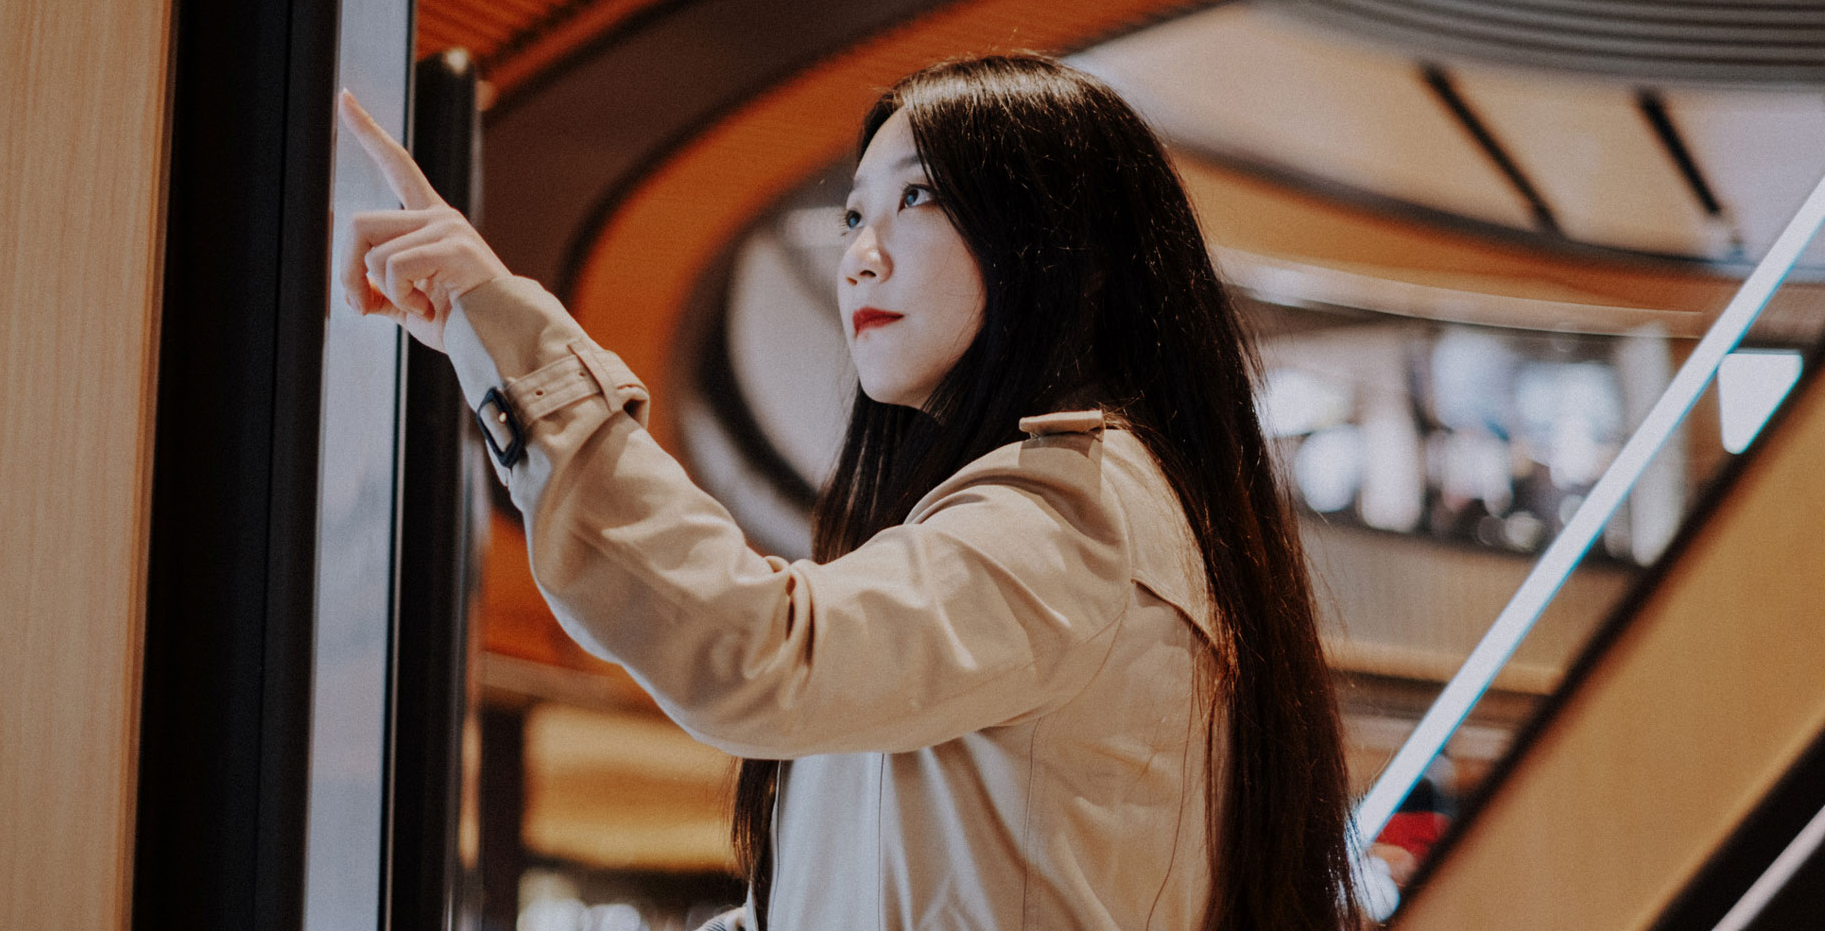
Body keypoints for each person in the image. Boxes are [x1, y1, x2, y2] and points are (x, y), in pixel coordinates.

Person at [338, 54, 1357, 931]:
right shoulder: (1056, 518)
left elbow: (749, 649)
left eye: (917, 197)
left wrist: (513, 343)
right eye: (853, 214)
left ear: (1058, 245)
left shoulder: (1074, 518)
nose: (859, 258)